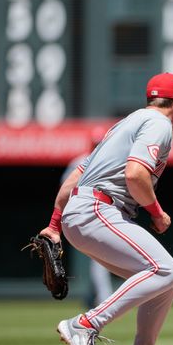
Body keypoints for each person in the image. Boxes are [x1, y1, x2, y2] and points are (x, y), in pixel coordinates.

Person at [38, 72, 173, 345]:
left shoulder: (124, 124)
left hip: (80, 212)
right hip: (98, 209)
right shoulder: (159, 124)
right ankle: (85, 324)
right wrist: (157, 213)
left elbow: (76, 177)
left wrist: (54, 226)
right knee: (165, 270)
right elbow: (136, 174)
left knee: (164, 279)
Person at [61, 127, 114, 310]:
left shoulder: (109, 161)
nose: (98, 146)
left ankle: (96, 296)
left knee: (100, 259)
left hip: (103, 214)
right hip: (82, 216)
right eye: (96, 143)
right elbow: (64, 188)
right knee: (100, 259)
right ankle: (104, 298)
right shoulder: (80, 162)